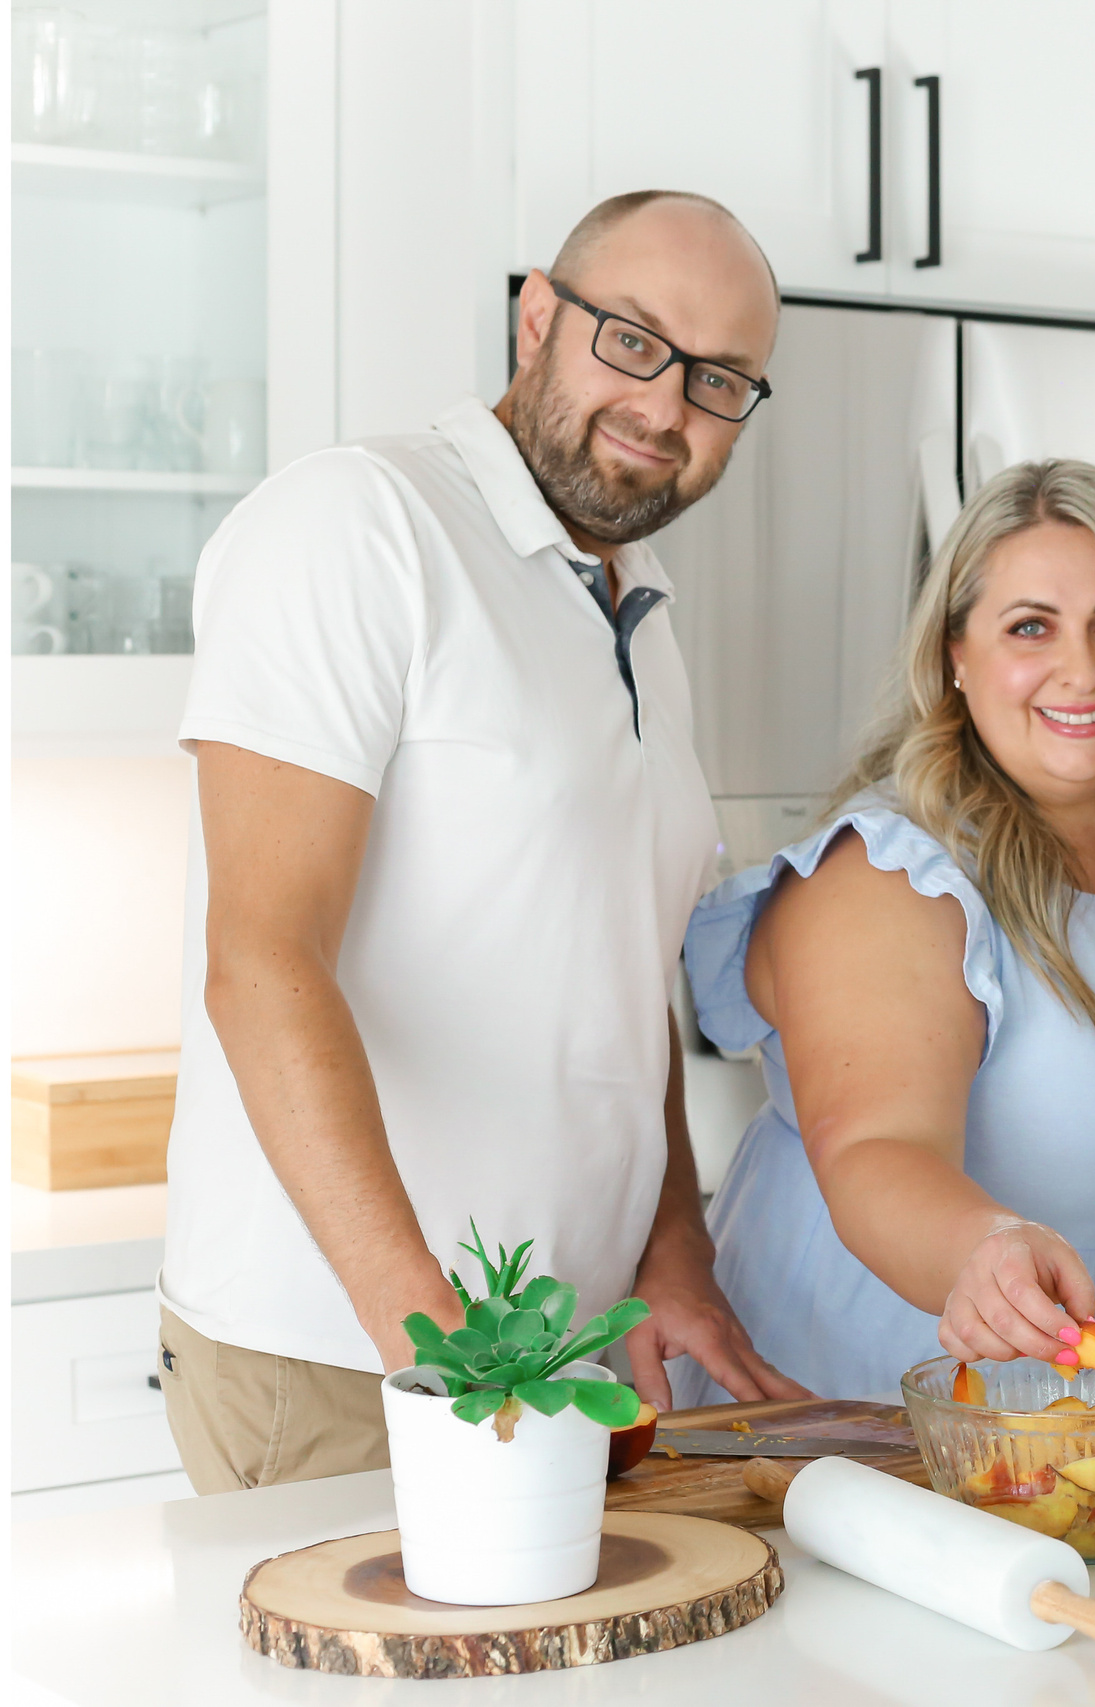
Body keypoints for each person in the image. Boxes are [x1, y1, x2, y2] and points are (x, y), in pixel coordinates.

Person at [160, 190, 811, 1493]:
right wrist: (429, 1341)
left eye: (721, 378)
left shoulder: (639, 612)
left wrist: (669, 1249)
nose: (667, 403)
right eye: (632, 339)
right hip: (350, 1359)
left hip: (555, 1357)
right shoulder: (359, 524)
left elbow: (618, 988)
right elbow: (263, 958)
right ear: (536, 319)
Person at [680, 458, 1095, 1404]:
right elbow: (878, 1152)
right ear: (956, 655)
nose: (1080, 667)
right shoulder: (888, 875)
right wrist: (987, 1249)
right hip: (892, 1412)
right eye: (1029, 626)